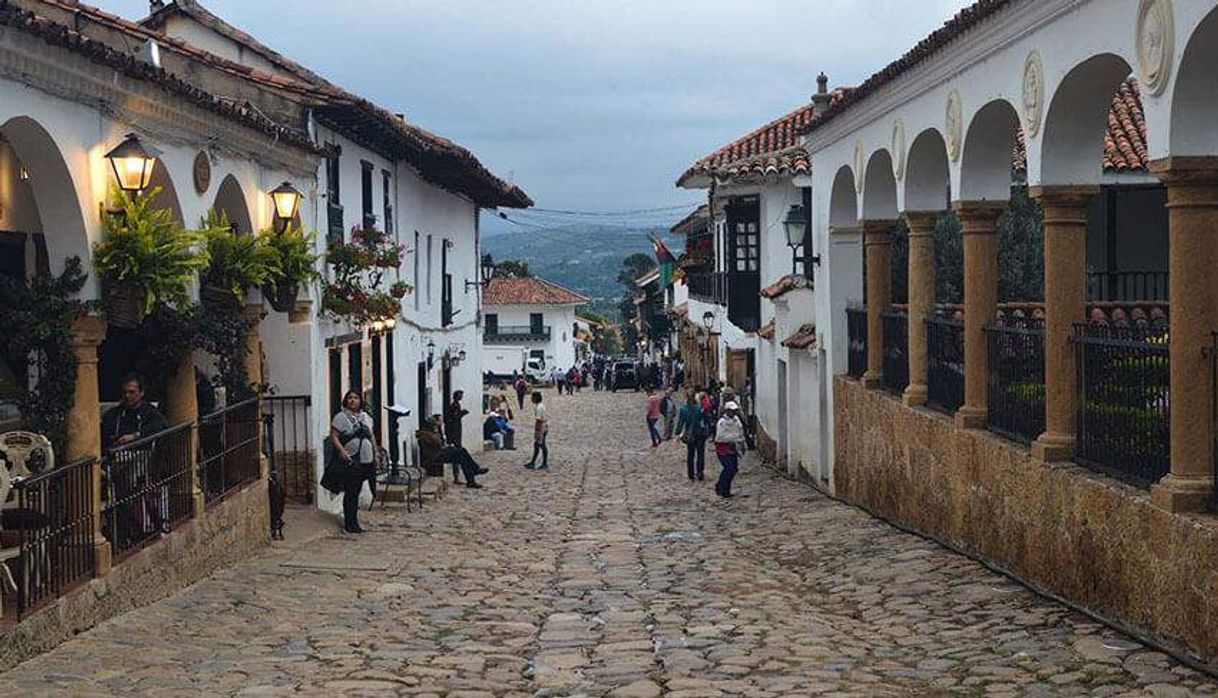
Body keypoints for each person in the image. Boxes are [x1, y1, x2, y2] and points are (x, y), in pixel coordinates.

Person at [330, 390, 376, 533]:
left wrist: (376, 452)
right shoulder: (340, 417)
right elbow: (334, 436)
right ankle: (350, 523)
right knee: (351, 491)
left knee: (359, 490)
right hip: (351, 459)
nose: (353, 400)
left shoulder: (366, 417)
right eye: (350, 398)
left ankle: (355, 520)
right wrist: (342, 451)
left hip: (366, 459)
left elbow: (371, 436)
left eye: (356, 398)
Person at [102, 373, 169, 450]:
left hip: (143, 456)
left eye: (132, 392)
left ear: (142, 393)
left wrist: (135, 436)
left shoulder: (151, 413)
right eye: (124, 392)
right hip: (118, 455)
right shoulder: (113, 414)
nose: (127, 396)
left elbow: (159, 428)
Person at [418, 417, 487, 488]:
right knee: (462, 453)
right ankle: (475, 471)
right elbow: (438, 443)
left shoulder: (428, 434)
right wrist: (438, 431)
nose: (436, 427)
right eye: (435, 425)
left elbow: (439, 444)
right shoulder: (425, 435)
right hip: (435, 456)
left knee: (462, 455)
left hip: (438, 453)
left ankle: (472, 479)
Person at [713, 401, 747, 498]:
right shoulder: (722, 423)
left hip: (733, 449)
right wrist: (732, 438)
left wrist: (741, 442)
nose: (733, 413)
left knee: (734, 469)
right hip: (723, 450)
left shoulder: (736, 421)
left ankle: (726, 490)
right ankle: (720, 486)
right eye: (731, 411)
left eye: (734, 411)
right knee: (729, 468)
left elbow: (740, 432)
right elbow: (720, 437)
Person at [675, 391, 710, 481]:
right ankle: (700, 472)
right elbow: (705, 420)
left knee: (690, 454)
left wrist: (678, 432)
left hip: (690, 434)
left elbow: (680, 422)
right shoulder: (700, 408)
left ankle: (691, 473)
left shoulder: (683, 409)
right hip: (700, 433)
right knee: (700, 454)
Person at [525, 391, 550, 470]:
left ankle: (544, 463)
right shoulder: (541, 406)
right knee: (537, 444)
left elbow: (538, 420)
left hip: (541, 427)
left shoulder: (539, 408)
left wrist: (537, 430)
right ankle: (533, 462)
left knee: (541, 445)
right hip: (545, 425)